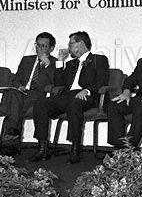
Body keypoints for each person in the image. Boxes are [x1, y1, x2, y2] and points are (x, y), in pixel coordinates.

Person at [30, 31, 109, 163]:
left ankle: (75, 149)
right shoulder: (71, 64)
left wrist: (87, 90)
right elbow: (59, 83)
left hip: (88, 97)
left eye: (71, 43)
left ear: (81, 44)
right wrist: (60, 61)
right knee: (41, 104)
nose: (68, 46)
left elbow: (102, 81)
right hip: (68, 96)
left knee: (75, 103)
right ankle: (42, 148)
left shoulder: (98, 59)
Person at [0, 32, 58, 155]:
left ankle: (11, 136)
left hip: (39, 96)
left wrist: (47, 64)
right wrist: (19, 86)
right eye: (37, 45)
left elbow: (56, 82)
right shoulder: (27, 60)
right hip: (22, 93)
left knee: (14, 104)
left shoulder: (55, 63)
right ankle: (12, 135)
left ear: (51, 48)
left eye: (44, 46)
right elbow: (16, 78)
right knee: (14, 95)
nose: (39, 48)